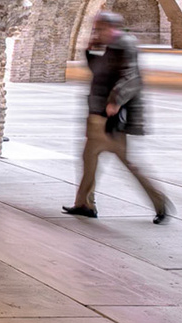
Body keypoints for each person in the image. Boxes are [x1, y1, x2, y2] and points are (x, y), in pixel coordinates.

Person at [63, 11, 171, 223]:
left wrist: (116, 100)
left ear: (110, 28)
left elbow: (132, 78)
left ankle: (160, 203)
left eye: (99, 28)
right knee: (89, 161)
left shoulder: (124, 45)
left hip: (109, 120)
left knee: (127, 163)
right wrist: (89, 52)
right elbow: (99, 73)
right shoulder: (111, 47)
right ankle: (84, 204)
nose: (96, 32)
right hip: (96, 116)